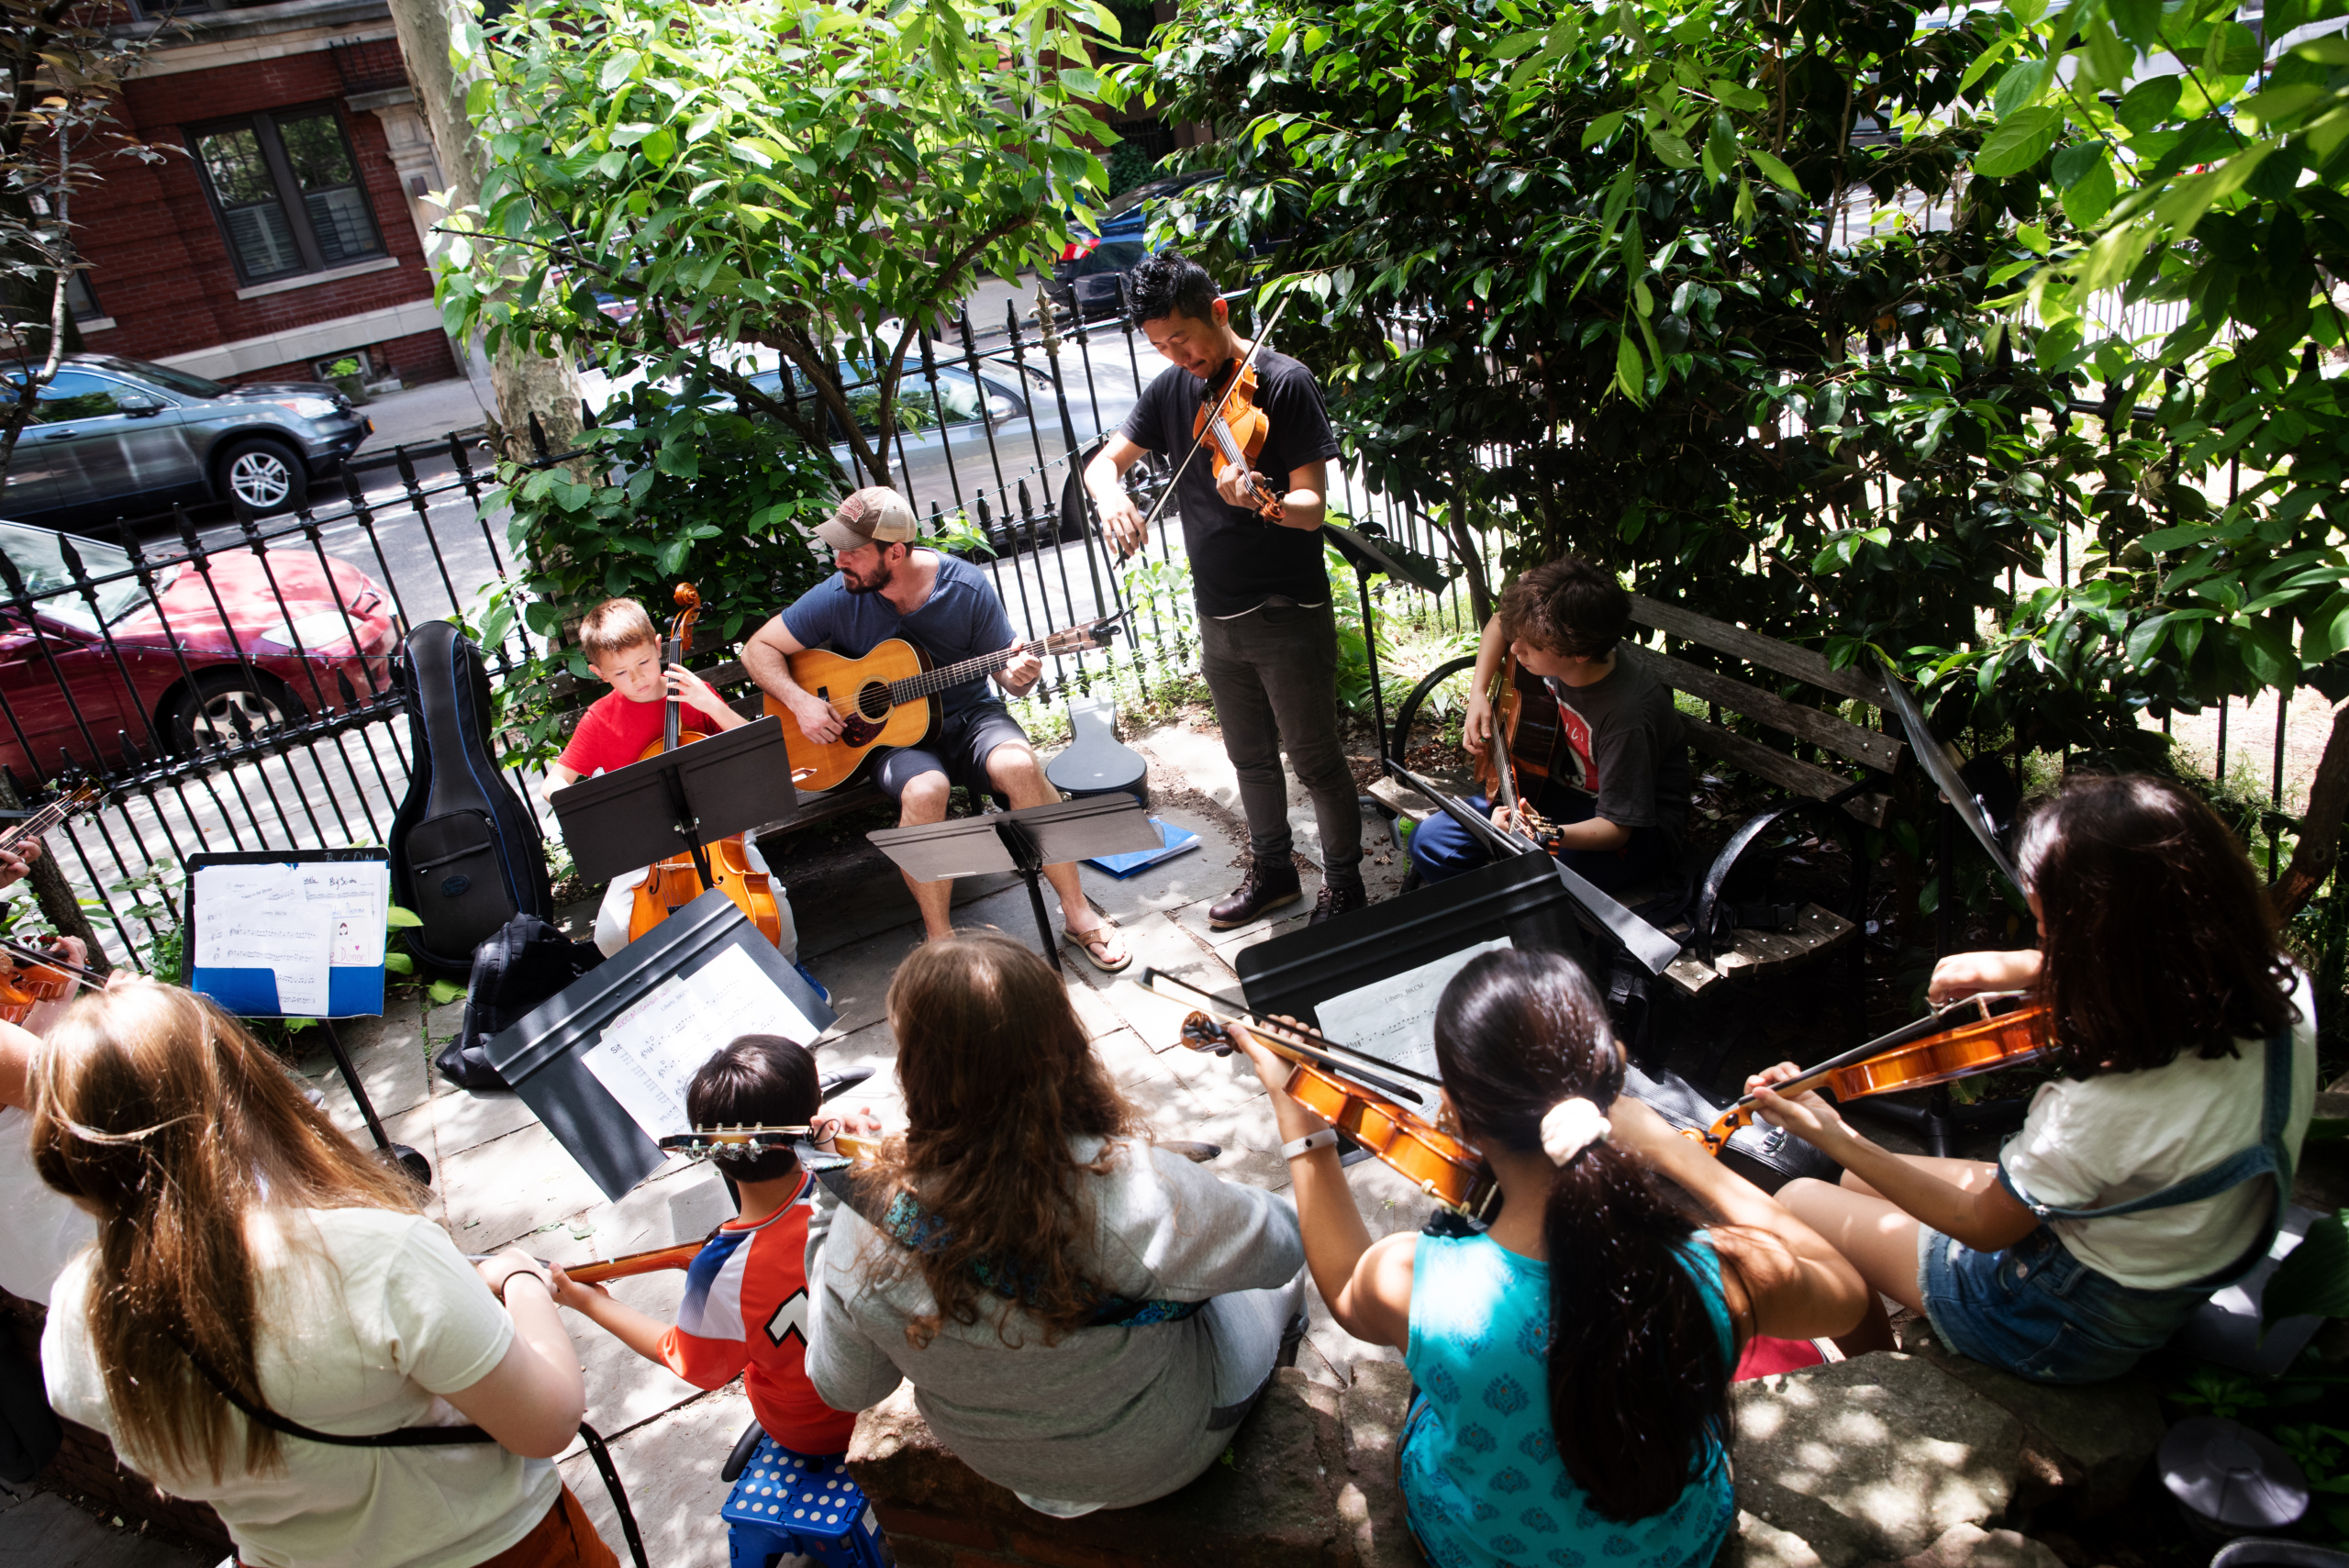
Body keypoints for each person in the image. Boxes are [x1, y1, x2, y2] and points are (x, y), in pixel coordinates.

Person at [1232, 948, 1866, 1567]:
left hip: (1479, 1549)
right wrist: (1681, 1155)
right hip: (1678, 1549)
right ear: (1613, 1076)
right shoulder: (1712, 1272)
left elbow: (1343, 1286)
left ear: (1453, 1115)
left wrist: (1300, 1113)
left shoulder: (1416, 1280)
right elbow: (1845, 1293)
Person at [1748, 772, 2318, 1382]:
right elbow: (2148, 960)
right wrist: (2015, 967)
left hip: (2054, 1317)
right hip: (2161, 1249)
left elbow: (1983, 1225)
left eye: (2051, 935)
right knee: (1856, 1184)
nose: (2046, 948)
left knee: (1798, 1198)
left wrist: (1838, 1135)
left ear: (2104, 945)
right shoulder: (2277, 987)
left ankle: (1878, 1378)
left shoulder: (2101, 1105)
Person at [34, 981, 617, 1568]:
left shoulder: (74, 1313)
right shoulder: (370, 1255)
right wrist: (521, 1281)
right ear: (239, 1092)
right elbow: (547, 1424)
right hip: (493, 1550)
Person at [801, 932, 1305, 1515]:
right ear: (1062, 1045)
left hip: (1009, 1470)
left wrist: (840, 1196)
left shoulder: (861, 1235)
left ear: (915, 1071)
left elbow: (846, 1389)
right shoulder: (1137, 1192)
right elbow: (1286, 1247)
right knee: (1276, 1278)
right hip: (1167, 1452)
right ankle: (1282, 1357)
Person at [1082, 251, 1360, 928]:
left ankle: (1346, 886)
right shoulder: (1174, 390)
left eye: (1183, 338)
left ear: (1220, 311)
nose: (1178, 356)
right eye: (1160, 346)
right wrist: (1110, 494)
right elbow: (1101, 465)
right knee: (1250, 759)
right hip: (1219, 615)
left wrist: (1263, 502)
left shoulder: (1284, 383)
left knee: (1316, 760)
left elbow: (1313, 505)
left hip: (1285, 612)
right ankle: (1274, 873)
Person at [743, 489, 1128, 969]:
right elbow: (756, 649)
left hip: (969, 718)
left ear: (895, 552)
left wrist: (1020, 676)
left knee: (1020, 765)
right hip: (893, 741)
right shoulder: (839, 593)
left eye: (852, 550)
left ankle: (1076, 912)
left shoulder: (964, 587)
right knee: (927, 791)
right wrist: (801, 703)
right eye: (838, 548)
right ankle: (940, 942)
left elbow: (1007, 675)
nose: (839, 560)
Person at [549, 1035, 857, 1459]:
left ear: (710, 1150)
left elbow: (686, 1360)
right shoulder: (851, 1188)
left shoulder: (718, 1270)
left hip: (816, 1433)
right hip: (887, 1390)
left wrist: (590, 1304)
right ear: (812, 1117)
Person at [1411, 554, 1690, 893]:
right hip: (1549, 787)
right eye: (1517, 639)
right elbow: (1502, 621)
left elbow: (1618, 827)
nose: (1515, 648)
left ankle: (1521, 928)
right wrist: (1479, 692)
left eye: (1530, 646)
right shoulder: (1556, 648)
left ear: (1579, 653)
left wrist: (1542, 831)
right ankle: (1502, 919)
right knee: (1431, 842)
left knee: (1540, 876)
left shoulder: (1626, 717)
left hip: (1627, 827)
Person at [547, 595, 801, 964]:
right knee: (611, 935)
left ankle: (791, 968)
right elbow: (553, 784)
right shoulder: (600, 719)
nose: (637, 678)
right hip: (648, 847)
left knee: (771, 903)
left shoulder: (689, 690)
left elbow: (752, 745)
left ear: (658, 646)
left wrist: (710, 705)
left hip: (718, 829)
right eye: (619, 673)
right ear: (598, 673)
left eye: (644, 663)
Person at [0, 931, 95, 1307]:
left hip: (29, 1258)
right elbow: (109, 1099)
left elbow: (14, 1085)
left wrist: (55, 1003)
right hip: (85, 1239)